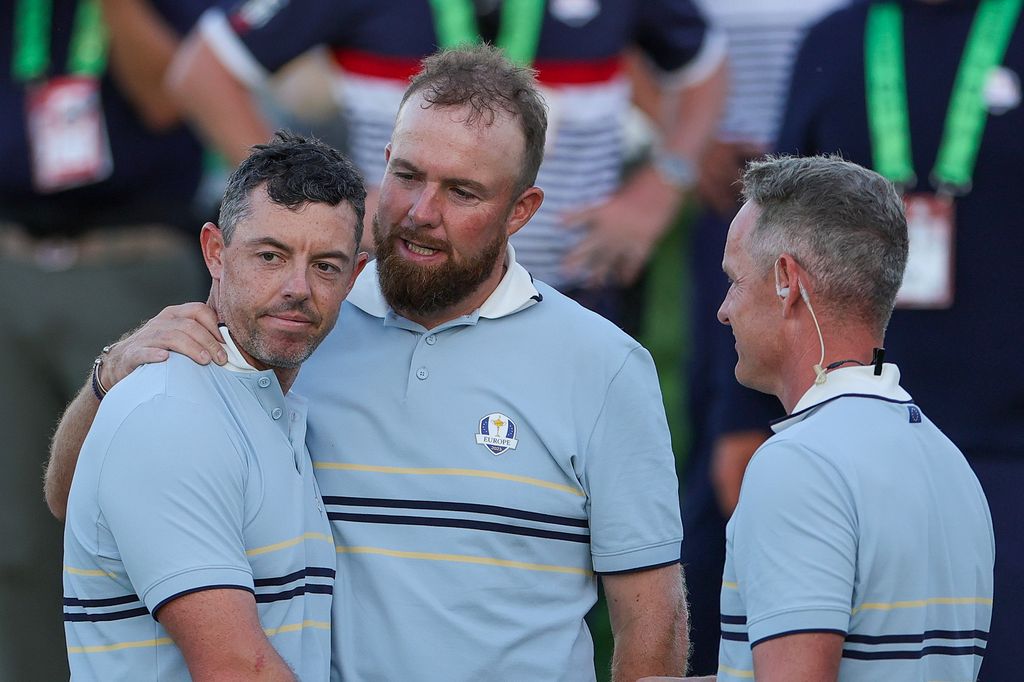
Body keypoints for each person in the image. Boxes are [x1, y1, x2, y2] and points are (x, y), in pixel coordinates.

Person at [47, 45, 689, 681]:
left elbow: (652, 624)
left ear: (521, 210)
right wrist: (108, 380)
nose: (421, 212)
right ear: (383, 161)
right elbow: (85, 498)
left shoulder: (603, 366)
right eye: (408, 175)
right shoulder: (295, 323)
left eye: (462, 192)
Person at [163, 0, 727, 333]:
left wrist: (661, 186)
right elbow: (203, 72)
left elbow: (706, 66)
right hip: (400, 307)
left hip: (574, 295)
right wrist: (315, 208)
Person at [61, 131, 368, 680]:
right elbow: (235, 668)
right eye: (270, 256)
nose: (298, 286)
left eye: (326, 265)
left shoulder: (275, 404)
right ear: (214, 253)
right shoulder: (172, 415)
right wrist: (109, 377)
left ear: (355, 278)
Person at [773, 4, 1023, 677]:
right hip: (850, 436)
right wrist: (743, 417)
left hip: (1008, 439)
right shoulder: (833, 40)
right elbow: (775, 243)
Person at [714, 154, 993, 681]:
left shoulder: (797, 467)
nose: (724, 309)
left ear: (785, 280)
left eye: (733, 279)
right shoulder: (949, 462)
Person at [0, 0, 211, 677]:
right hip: (12, 263)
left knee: (143, 527)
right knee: (16, 540)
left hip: (131, 266)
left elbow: (163, 98)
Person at [680, 1, 849, 673]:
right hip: (757, 213)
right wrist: (684, 145)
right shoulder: (837, 41)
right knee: (738, 483)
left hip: (892, 266)